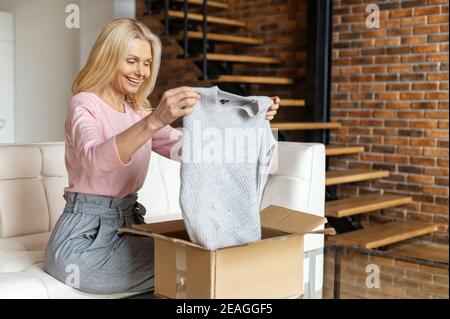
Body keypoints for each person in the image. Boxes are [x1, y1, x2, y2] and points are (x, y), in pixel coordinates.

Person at [44, 18, 280, 295]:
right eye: (131, 61)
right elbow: (94, 161)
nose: (141, 72)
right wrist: (155, 119)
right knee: (192, 267)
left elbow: (194, 149)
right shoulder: (85, 104)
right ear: (108, 58)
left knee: (201, 261)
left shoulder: (138, 113)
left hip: (129, 228)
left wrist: (247, 120)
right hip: (83, 240)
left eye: (146, 63)